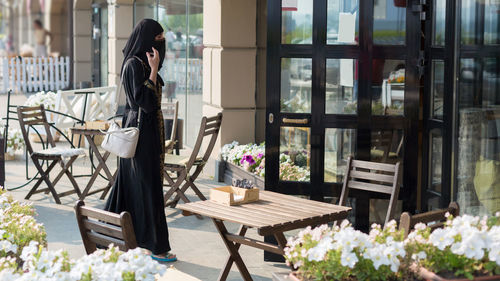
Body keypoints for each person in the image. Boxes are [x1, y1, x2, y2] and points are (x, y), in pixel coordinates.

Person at [105, 19, 176, 262]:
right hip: (140, 138)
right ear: (146, 38)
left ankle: (118, 236)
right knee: (148, 191)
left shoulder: (143, 64)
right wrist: (154, 69)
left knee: (135, 189)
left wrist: (154, 68)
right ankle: (156, 247)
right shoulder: (134, 65)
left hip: (148, 137)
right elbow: (144, 103)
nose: (161, 43)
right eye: (158, 38)